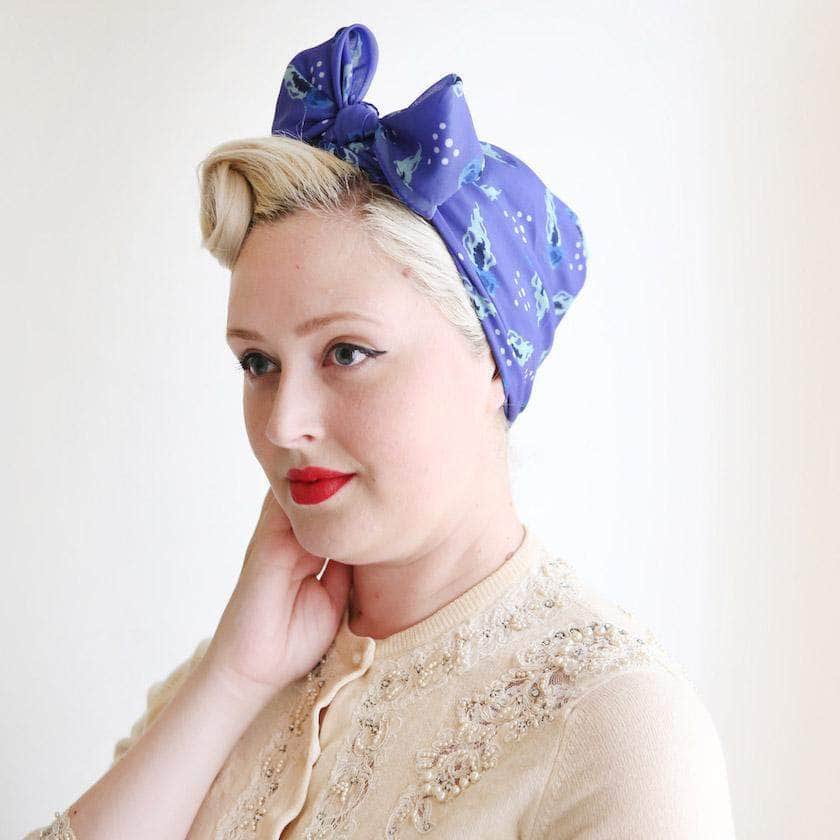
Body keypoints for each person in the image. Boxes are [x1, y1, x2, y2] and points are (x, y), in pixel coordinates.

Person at [27, 23, 737, 840]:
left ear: (494, 361)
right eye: (258, 363)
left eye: (347, 353)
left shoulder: (616, 730)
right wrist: (232, 678)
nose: (284, 424)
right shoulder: (238, 668)